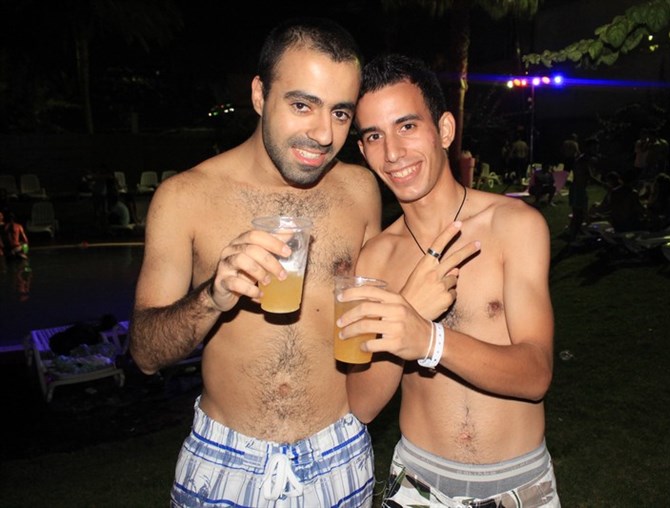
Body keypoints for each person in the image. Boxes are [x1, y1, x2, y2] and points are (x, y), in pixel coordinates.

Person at [128, 18, 381, 507]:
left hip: (338, 450)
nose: (322, 134)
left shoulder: (359, 189)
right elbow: (145, 353)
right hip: (226, 459)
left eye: (340, 113)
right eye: (302, 105)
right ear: (260, 95)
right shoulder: (184, 197)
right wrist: (211, 297)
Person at [343, 54, 559, 507]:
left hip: (519, 483)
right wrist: (407, 310)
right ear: (362, 151)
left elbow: (536, 374)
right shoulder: (375, 257)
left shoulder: (514, 226)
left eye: (407, 126)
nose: (393, 153)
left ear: (443, 130)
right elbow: (362, 404)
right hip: (417, 484)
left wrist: (428, 339)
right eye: (375, 136)